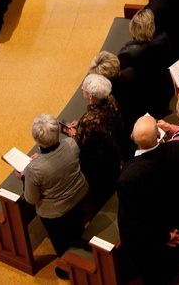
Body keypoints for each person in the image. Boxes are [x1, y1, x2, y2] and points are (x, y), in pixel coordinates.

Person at [117, 115, 179, 283]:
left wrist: (164, 237)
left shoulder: (128, 177)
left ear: (132, 138)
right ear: (159, 134)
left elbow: (134, 222)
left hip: (153, 245)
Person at [17, 114, 88, 279]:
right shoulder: (71, 144)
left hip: (56, 213)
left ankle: (67, 265)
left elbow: (31, 199)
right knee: (76, 224)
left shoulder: (33, 170)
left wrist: (24, 178)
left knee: (61, 240)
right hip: (80, 194)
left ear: (37, 140)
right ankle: (78, 238)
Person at [62, 74, 124, 209]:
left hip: (98, 161)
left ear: (90, 96)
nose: (81, 90)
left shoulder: (88, 121)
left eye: (83, 88)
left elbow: (80, 144)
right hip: (114, 148)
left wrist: (74, 133)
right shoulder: (110, 99)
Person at [117, 9, 173, 119]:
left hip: (141, 99)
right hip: (162, 90)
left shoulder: (127, 53)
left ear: (133, 27)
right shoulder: (163, 40)